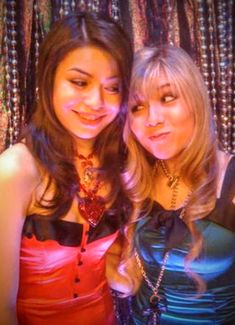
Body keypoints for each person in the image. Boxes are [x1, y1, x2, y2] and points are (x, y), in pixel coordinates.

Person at [0, 12, 133, 325]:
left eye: (112, 88)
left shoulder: (124, 165)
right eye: (79, 82)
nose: (96, 101)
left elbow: (121, 275)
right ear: (50, 81)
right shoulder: (15, 171)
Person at [115, 45, 235, 324]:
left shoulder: (230, 181)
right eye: (137, 107)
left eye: (167, 98)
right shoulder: (132, 185)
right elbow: (128, 279)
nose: (153, 120)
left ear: (195, 102)